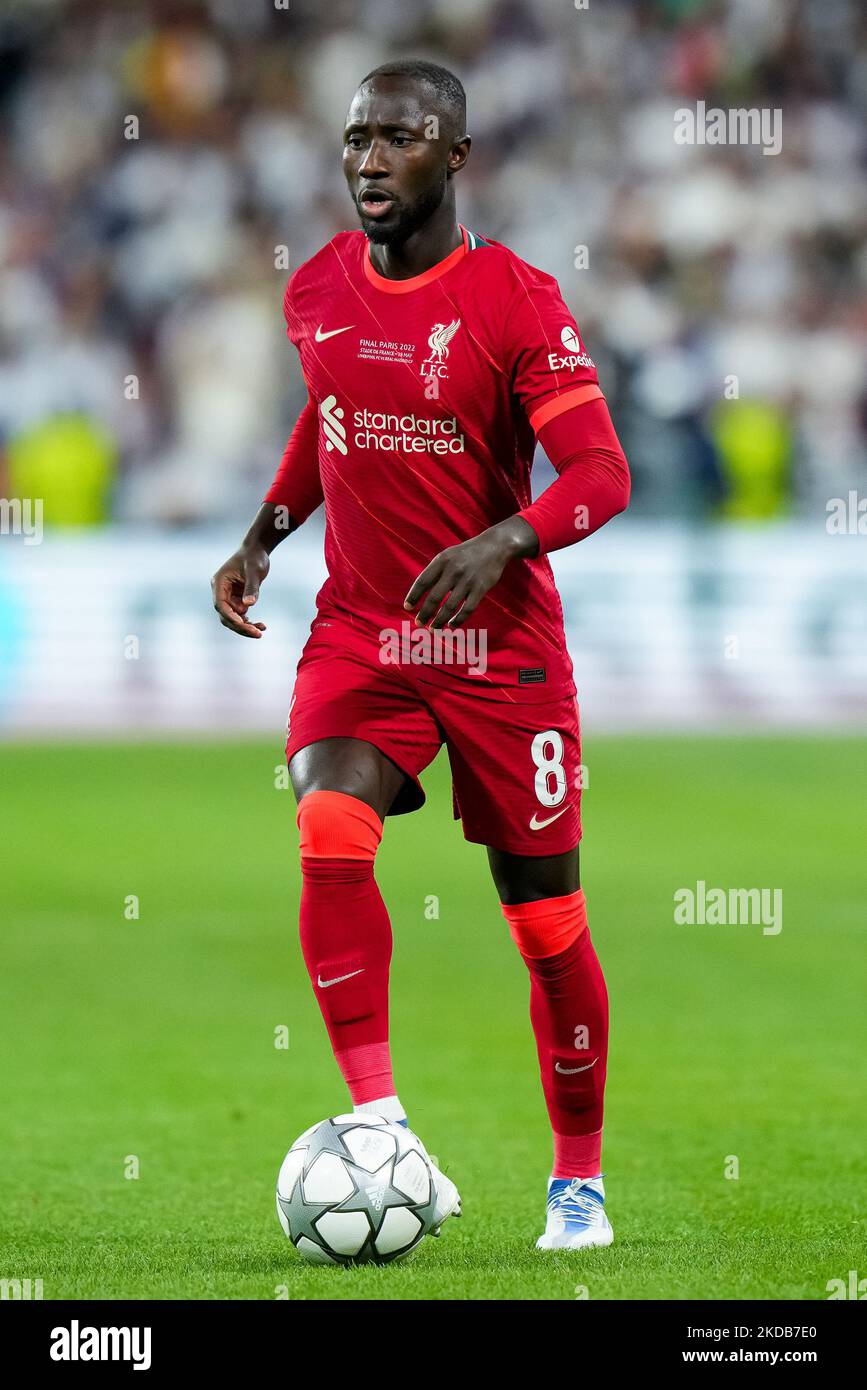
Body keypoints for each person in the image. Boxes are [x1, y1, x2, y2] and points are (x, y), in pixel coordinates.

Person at [212, 59, 630, 1252]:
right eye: (356, 139)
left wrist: (506, 540)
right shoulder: (322, 286)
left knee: (546, 925)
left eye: (398, 138)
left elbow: (603, 475)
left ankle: (579, 1182)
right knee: (327, 822)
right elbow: (328, 408)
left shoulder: (516, 299)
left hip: (501, 647)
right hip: (367, 629)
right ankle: (387, 1127)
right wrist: (263, 533)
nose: (368, 161)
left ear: (454, 156)